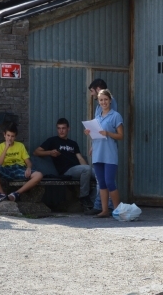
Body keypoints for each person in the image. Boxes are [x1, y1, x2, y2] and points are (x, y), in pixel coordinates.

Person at [33, 118, 93, 208]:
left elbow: (80, 158)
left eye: (63, 128)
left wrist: (88, 170)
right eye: (59, 128)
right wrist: (50, 152)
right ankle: (84, 197)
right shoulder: (52, 141)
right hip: (66, 171)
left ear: (68, 129)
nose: (61, 131)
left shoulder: (73, 143)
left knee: (101, 176)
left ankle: (99, 204)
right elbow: (36, 152)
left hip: (78, 169)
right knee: (87, 170)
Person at [84, 89, 123, 218]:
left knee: (110, 181)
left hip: (110, 154)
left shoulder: (115, 115)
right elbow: (97, 135)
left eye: (106, 99)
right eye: (101, 100)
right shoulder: (97, 117)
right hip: (97, 153)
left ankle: (117, 210)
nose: (103, 102)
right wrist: (90, 134)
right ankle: (105, 210)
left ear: (110, 100)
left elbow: (120, 135)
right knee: (101, 182)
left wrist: (108, 133)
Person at [0, 123, 43, 204]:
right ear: (4, 135)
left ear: (15, 137)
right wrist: (6, 148)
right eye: (8, 135)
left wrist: (28, 168)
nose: (10, 138)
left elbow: (28, 162)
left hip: (19, 169)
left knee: (39, 175)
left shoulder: (20, 146)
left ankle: (16, 194)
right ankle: (1, 194)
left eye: (12, 136)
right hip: (6, 169)